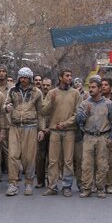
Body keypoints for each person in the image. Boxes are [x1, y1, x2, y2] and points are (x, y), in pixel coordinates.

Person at [4, 67, 45, 196]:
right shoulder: (12, 90)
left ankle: (28, 183)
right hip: (15, 126)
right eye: (21, 77)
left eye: (26, 77)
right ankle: (13, 184)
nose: (23, 80)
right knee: (13, 156)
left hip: (31, 127)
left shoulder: (36, 92)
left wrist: (41, 130)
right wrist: (6, 108)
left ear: (30, 78)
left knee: (29, 157)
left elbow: (41, 113)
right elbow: (5, 105)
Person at [76, 77, 112, 198]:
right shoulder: (84, 103)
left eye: (93, 87)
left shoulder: (109, 104)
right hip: (88, 137)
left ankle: (100, 188)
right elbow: (78, 120)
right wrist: (85, 113)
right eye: (89, 87)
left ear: (100, 89)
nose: (91, 89)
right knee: (86, 164)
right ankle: (87, 188)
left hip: (103, 137)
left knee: (102, 164)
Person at [41, 69, 82, 197]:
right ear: (60, 77)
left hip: (69, 131)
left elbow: (78, 114)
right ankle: (52, 186)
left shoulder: (75, 93)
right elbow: (43, 112)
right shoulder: (52, 93)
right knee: (53, 160)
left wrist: (65, 123)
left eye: (71, 75)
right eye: (67, 76)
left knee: (68, 160)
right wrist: (52, 102)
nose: (70, 78)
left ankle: (67, 186)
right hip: (54, 131)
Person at [35, 78, 53, 188]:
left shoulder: (54, 96)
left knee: (52, 158)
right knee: (40, 158)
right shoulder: (38, 97)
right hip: (39, 131)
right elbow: (37, 114)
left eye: (48, 85)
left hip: (52, 130)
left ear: (51, 86)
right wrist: (41, 129)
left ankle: (51, 181)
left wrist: (50, 128)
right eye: (44, 85)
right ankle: (40, 181)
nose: (45, 87)